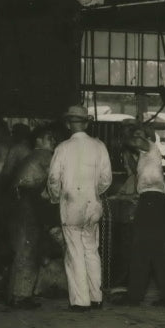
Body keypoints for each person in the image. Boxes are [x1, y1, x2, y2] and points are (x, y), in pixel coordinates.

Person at [47, 106, 112, 312]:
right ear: (86, 123)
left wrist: (56, 197)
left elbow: (53, 179)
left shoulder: (62, 148)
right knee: (91, 250)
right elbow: (106, 179)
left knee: (74, 252)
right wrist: (93, 192)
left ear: (68, 124)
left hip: (71, 204)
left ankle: (80, 301)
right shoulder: (99, 146)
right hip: (93, 205)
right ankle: (96, 297)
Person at [119, 123, 165, 308]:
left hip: (153, 201)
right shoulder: (145, 157)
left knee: (143, 250)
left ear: (147, 137)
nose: (138, 138)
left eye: (140, 134)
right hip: (152, 201)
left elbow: (135, 141)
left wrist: (124, 135)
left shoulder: (151, 146)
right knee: (154, 251)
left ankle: (136, 296)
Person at [7, 124, 58, 309]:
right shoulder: (44, 156)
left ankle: (16, 294)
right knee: (29, 249)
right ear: (38, 140)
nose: (53, 141)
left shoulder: (30, 156)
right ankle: (21, 297)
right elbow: (57, 179)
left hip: (22, 202)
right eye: (49, 137)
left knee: (23, 248)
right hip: (29, 202)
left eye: (54, 138)